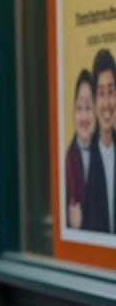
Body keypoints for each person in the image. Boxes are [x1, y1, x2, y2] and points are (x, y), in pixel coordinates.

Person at [83, 49, 116, 233]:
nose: (106, 103)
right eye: (101, 93)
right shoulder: (85, 157)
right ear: (95, 101)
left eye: (111, 92)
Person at [66, 70, 94, 229]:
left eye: (88, 107)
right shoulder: (68, 162)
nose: (83, 118)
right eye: (79, 108)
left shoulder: (105, 154)